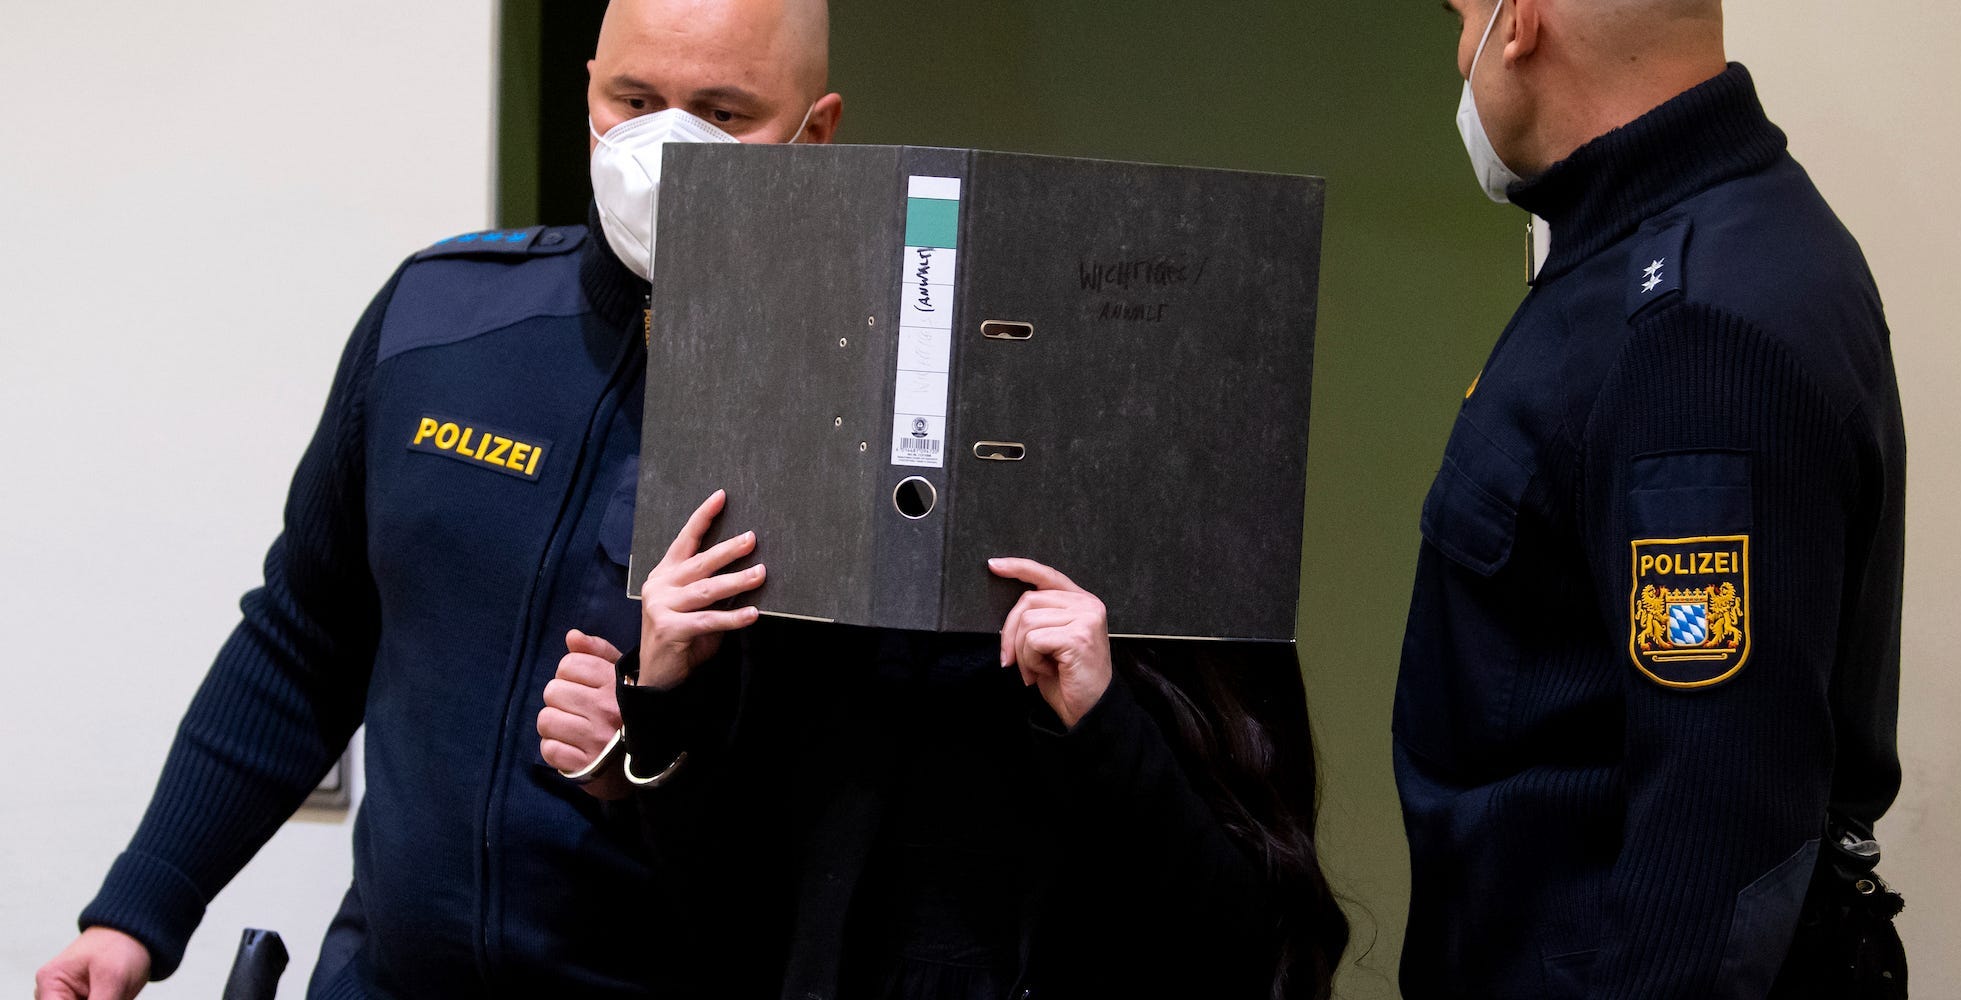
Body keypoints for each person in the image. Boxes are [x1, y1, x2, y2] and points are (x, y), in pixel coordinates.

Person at [34, 1, 843, 997]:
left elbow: (863, 808)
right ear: (587, 87)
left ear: (816, 133)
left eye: (722, 115)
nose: (663, 144)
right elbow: (304, 637)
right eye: (632, 99)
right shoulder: (442, 316)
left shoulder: (848, 413)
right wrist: (137, 911)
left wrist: (652, 749)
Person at [1393, 1, 1906, 997]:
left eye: (1458, 19)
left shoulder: (1695, 326)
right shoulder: (1666, 243)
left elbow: (1708, 851)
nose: (1456, 57)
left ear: (1519, 22)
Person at [539, 494, 1351, 998]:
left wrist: (1103, 721)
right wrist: (666, 705)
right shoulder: (792, 586)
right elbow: (726, 929)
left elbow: (1257, 948)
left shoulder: (1179, 577)